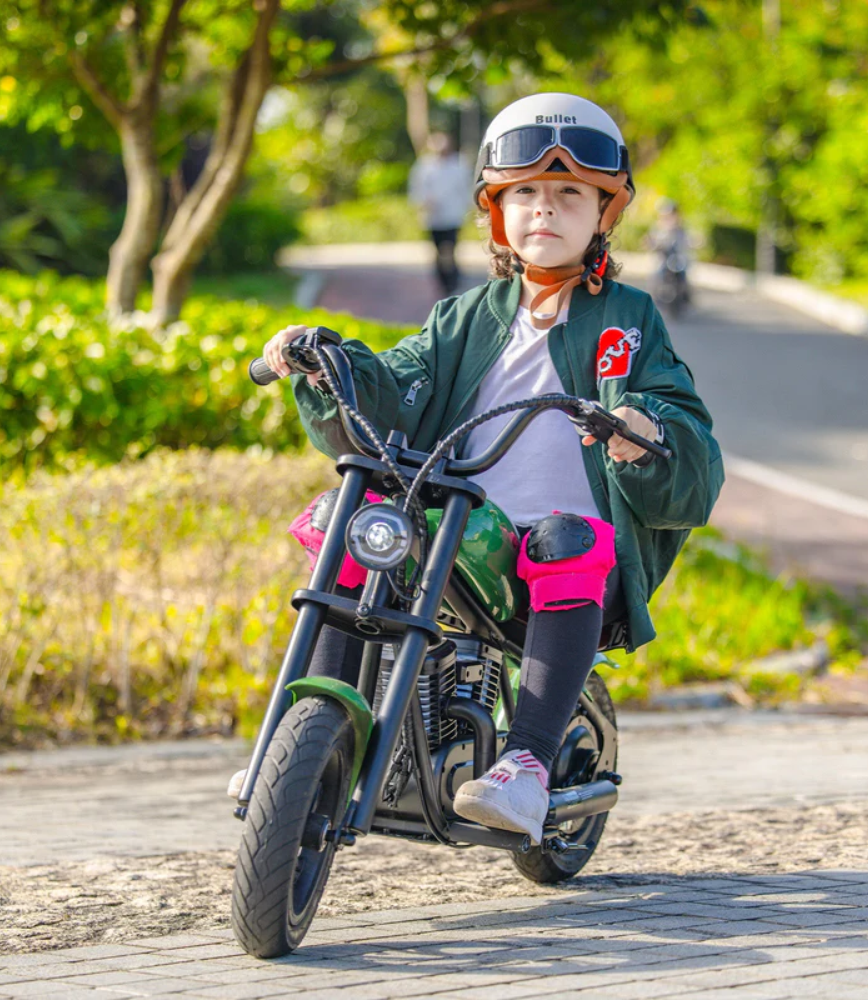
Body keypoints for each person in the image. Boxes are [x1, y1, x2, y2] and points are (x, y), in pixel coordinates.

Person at [251, 93, 724, 843]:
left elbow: (679, 422)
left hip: (568, 552)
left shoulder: (628, 318)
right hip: (467, 534)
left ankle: (527, 764)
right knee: (349, 519)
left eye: (570, 194)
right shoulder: (464, 316)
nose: (546, 208)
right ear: (496, 211)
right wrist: (328, 362)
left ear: (605, 214)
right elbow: (398, 383)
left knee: (566, 538)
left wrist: (644, 428)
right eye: (525, 192)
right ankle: (311, 728)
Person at [408, 132, 474, 296]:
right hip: (433, 218)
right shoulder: (424, 166)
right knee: (439, 251)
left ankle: (452, 281)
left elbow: (466, 189)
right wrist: (424, 202)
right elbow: (417, 190)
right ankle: (443, 280)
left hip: (453, 216)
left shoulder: (459, 165)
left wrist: (470, 208)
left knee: (449, 249)